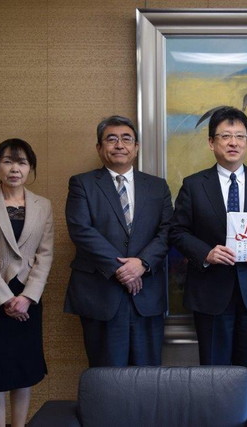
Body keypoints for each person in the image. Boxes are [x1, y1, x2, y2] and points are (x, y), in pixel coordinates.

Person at [170, 106, 247, 399]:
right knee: (213, 374)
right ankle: (214, 418)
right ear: (211, 142)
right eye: (225, 136)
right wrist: (206, 253)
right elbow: (177, 231)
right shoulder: (194, 185)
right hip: (211, 291)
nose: (233, 142)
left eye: (240, 136)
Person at [64, 115, 172, 367]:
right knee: (106, 373)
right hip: (101, 292)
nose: (119, 145)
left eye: (126, 139)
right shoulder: (82, 184)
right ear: (99, 147)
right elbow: (81, 230)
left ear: (136, 147)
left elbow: (168, 230)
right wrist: (121, 269)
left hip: (147, 292)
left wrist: (142, 263)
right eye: (111, 139)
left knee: (146, 374)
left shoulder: (157, 187)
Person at [0, 139, 53, 427]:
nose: (14, 168)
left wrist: (28, 297)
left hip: (29, 296)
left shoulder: (43, 205)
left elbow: (45, 254)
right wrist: (6, 299)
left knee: (22, 368)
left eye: (22, 162)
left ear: (30, 169)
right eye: (7, 161)